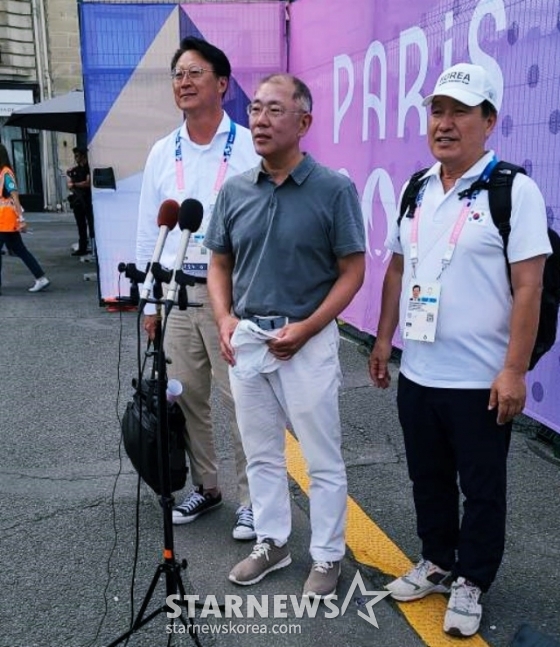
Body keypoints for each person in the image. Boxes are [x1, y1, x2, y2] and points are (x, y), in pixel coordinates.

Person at [368, 63, 551, 637]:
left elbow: (531, 286)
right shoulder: (416, 188)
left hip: (480, 380)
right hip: (420, 372)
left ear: (489, 121)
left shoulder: (513, 191)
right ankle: (438, 561)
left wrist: (514, 370)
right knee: (428, 478)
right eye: (437, 111)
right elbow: (398, 267)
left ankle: (472, 579)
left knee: (483, 488)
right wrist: (382, 337)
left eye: (460, 112)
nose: (444, 124)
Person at [204, 73, 365, 598]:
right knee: (261, 454)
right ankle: (272, 543)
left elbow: (352, 270)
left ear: (304, 122)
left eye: (275, 110)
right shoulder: (234, 190)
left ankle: (327, 555)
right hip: (248, 339)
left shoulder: (333, 189)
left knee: (321, 458)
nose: (260, 120)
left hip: (308, 341)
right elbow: (219, 262)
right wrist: (225, 319)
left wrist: (309, 327)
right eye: (254, 109)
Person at [136, 37, 260, 540]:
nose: (184, 82)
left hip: (233, 299)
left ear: (222, 84)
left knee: (245, 403)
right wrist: (149, 299)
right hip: (178, 297)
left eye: (195, 73)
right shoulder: (163, 152)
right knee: (187, 400)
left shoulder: (251, 146)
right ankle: (208, 488)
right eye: (178, 75)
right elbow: (150, 229)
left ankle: (254, 501)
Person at [0, 143, 50, 294]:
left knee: (18, 250)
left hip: (5, 219)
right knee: (20, 250)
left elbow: (14, 194)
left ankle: (41, 278)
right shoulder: (3, 172)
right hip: (6, 219)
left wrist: (21, 218)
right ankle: (41, 278)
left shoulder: (5, 173)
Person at [67, 146, 94, 257]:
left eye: (77, 155)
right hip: (78, 201)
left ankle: (93, 247)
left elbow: (88, 183)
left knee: (91, 225)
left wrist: (75, 184)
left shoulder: (88, 168)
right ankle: (82, 247)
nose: (76, 158)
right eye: (75, 156)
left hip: (87, 200)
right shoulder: (75, 170)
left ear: (83, 156)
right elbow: (69, 184)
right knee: (81, 225)